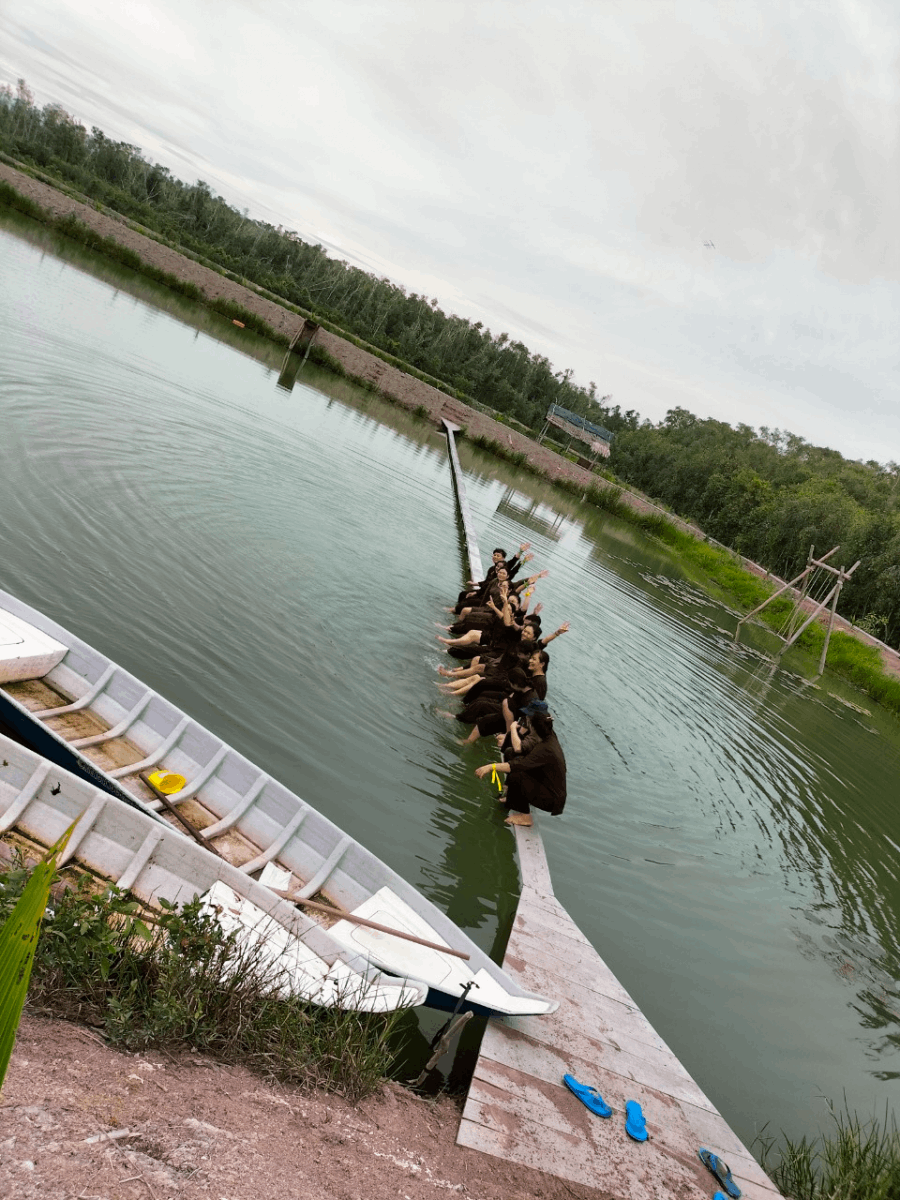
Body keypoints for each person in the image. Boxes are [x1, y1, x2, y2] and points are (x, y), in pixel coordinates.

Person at [475, 703, 566, 826]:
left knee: (517, 775)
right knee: (511, 754)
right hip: (544, 783)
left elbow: (517, 765)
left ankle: (525, 817)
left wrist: (491, 767)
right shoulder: (545, 736)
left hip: (551, 799)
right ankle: (511, 797)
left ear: (533, 726)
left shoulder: (546, 748)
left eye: (528, 720)